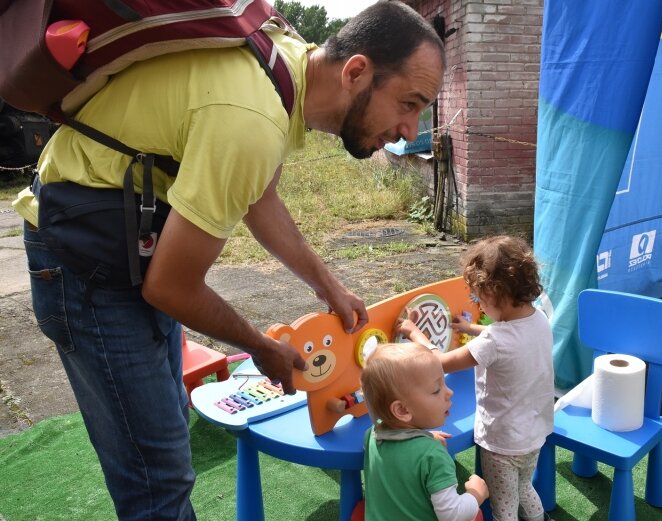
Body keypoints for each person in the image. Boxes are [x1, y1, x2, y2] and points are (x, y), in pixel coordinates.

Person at [12, 2, 446, 519]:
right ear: (356, 71)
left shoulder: (284, 67)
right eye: (410, 103)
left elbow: (259, 197)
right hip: (84, 259)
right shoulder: (251, 118)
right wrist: (262, 347)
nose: (408, 128)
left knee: (167, 430)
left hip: (127, 239)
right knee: (158, 478)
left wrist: (326, 284)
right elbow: (171, 287)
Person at [396, 235, 555, 521]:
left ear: (493, 293)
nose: (479, 306)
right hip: (534, 433)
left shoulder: (495, 341)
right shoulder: (539, 318)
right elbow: (507, 336)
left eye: (478, 298)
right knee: (524, 486)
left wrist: (414, 333)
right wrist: (469, 328)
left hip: (502, 442)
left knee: (504, 504)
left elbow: (439, 363)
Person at [360, 342, 489, 521]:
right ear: (403, 410)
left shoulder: (372, 435)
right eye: (436, 390)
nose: (449, 392)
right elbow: (453, 515)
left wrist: (425, 437)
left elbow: (401, 450)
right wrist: (476, 494)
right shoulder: (432, 456)